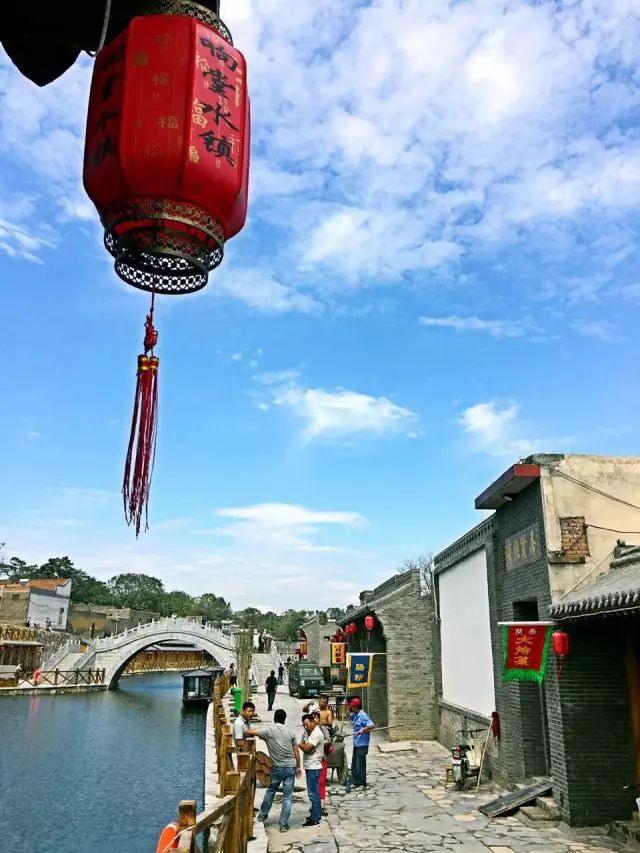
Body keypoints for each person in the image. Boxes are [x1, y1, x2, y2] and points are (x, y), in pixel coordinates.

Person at [246, 709, 301, 833]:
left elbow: (250, 732)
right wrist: (298, 766)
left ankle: (262, 815)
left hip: (277, 767)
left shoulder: (268, 731)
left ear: (274, 718)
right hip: (291, 767)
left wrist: (242, 729)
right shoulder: (291, 733)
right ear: (284, 719)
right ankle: (283, 824)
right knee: (287, 797)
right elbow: (296, 751)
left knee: (271, 791)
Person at [298, 713, 325, 826]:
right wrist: (304, 746)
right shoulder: (308, 733)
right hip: (310, 766)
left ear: (313, 722)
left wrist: (302, 746)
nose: (305, 727)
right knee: (312, 793)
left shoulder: (316, 733)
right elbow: (304, 745)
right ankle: (315, 814)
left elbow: (307, 747)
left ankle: (315, 817)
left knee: (313, 793)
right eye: (304, 725)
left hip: (314, 766)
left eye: (307, 724)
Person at [348, 698, 375, 789]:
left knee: (360, 765)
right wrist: (345, 706)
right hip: (356, 743)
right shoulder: (355, 715)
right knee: (354, 765)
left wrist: (364, 729)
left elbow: (372, 725)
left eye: (352, 707)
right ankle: (355, 782)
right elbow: (348, 715)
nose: (351, 709)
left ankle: (362, 784)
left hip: (362, 744)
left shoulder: (363, 716)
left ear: (356, 707)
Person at [311, 710, 331, 817]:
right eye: (313, 718)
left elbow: (329, 740)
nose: (315, 719)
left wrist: (319, 743)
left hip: (322, 759)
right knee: (313, 783)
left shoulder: (323, 729)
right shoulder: (307, 730)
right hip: (311, 760)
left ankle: (322, 806)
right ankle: (315, 805)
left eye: (316, 717)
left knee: (321, 782)